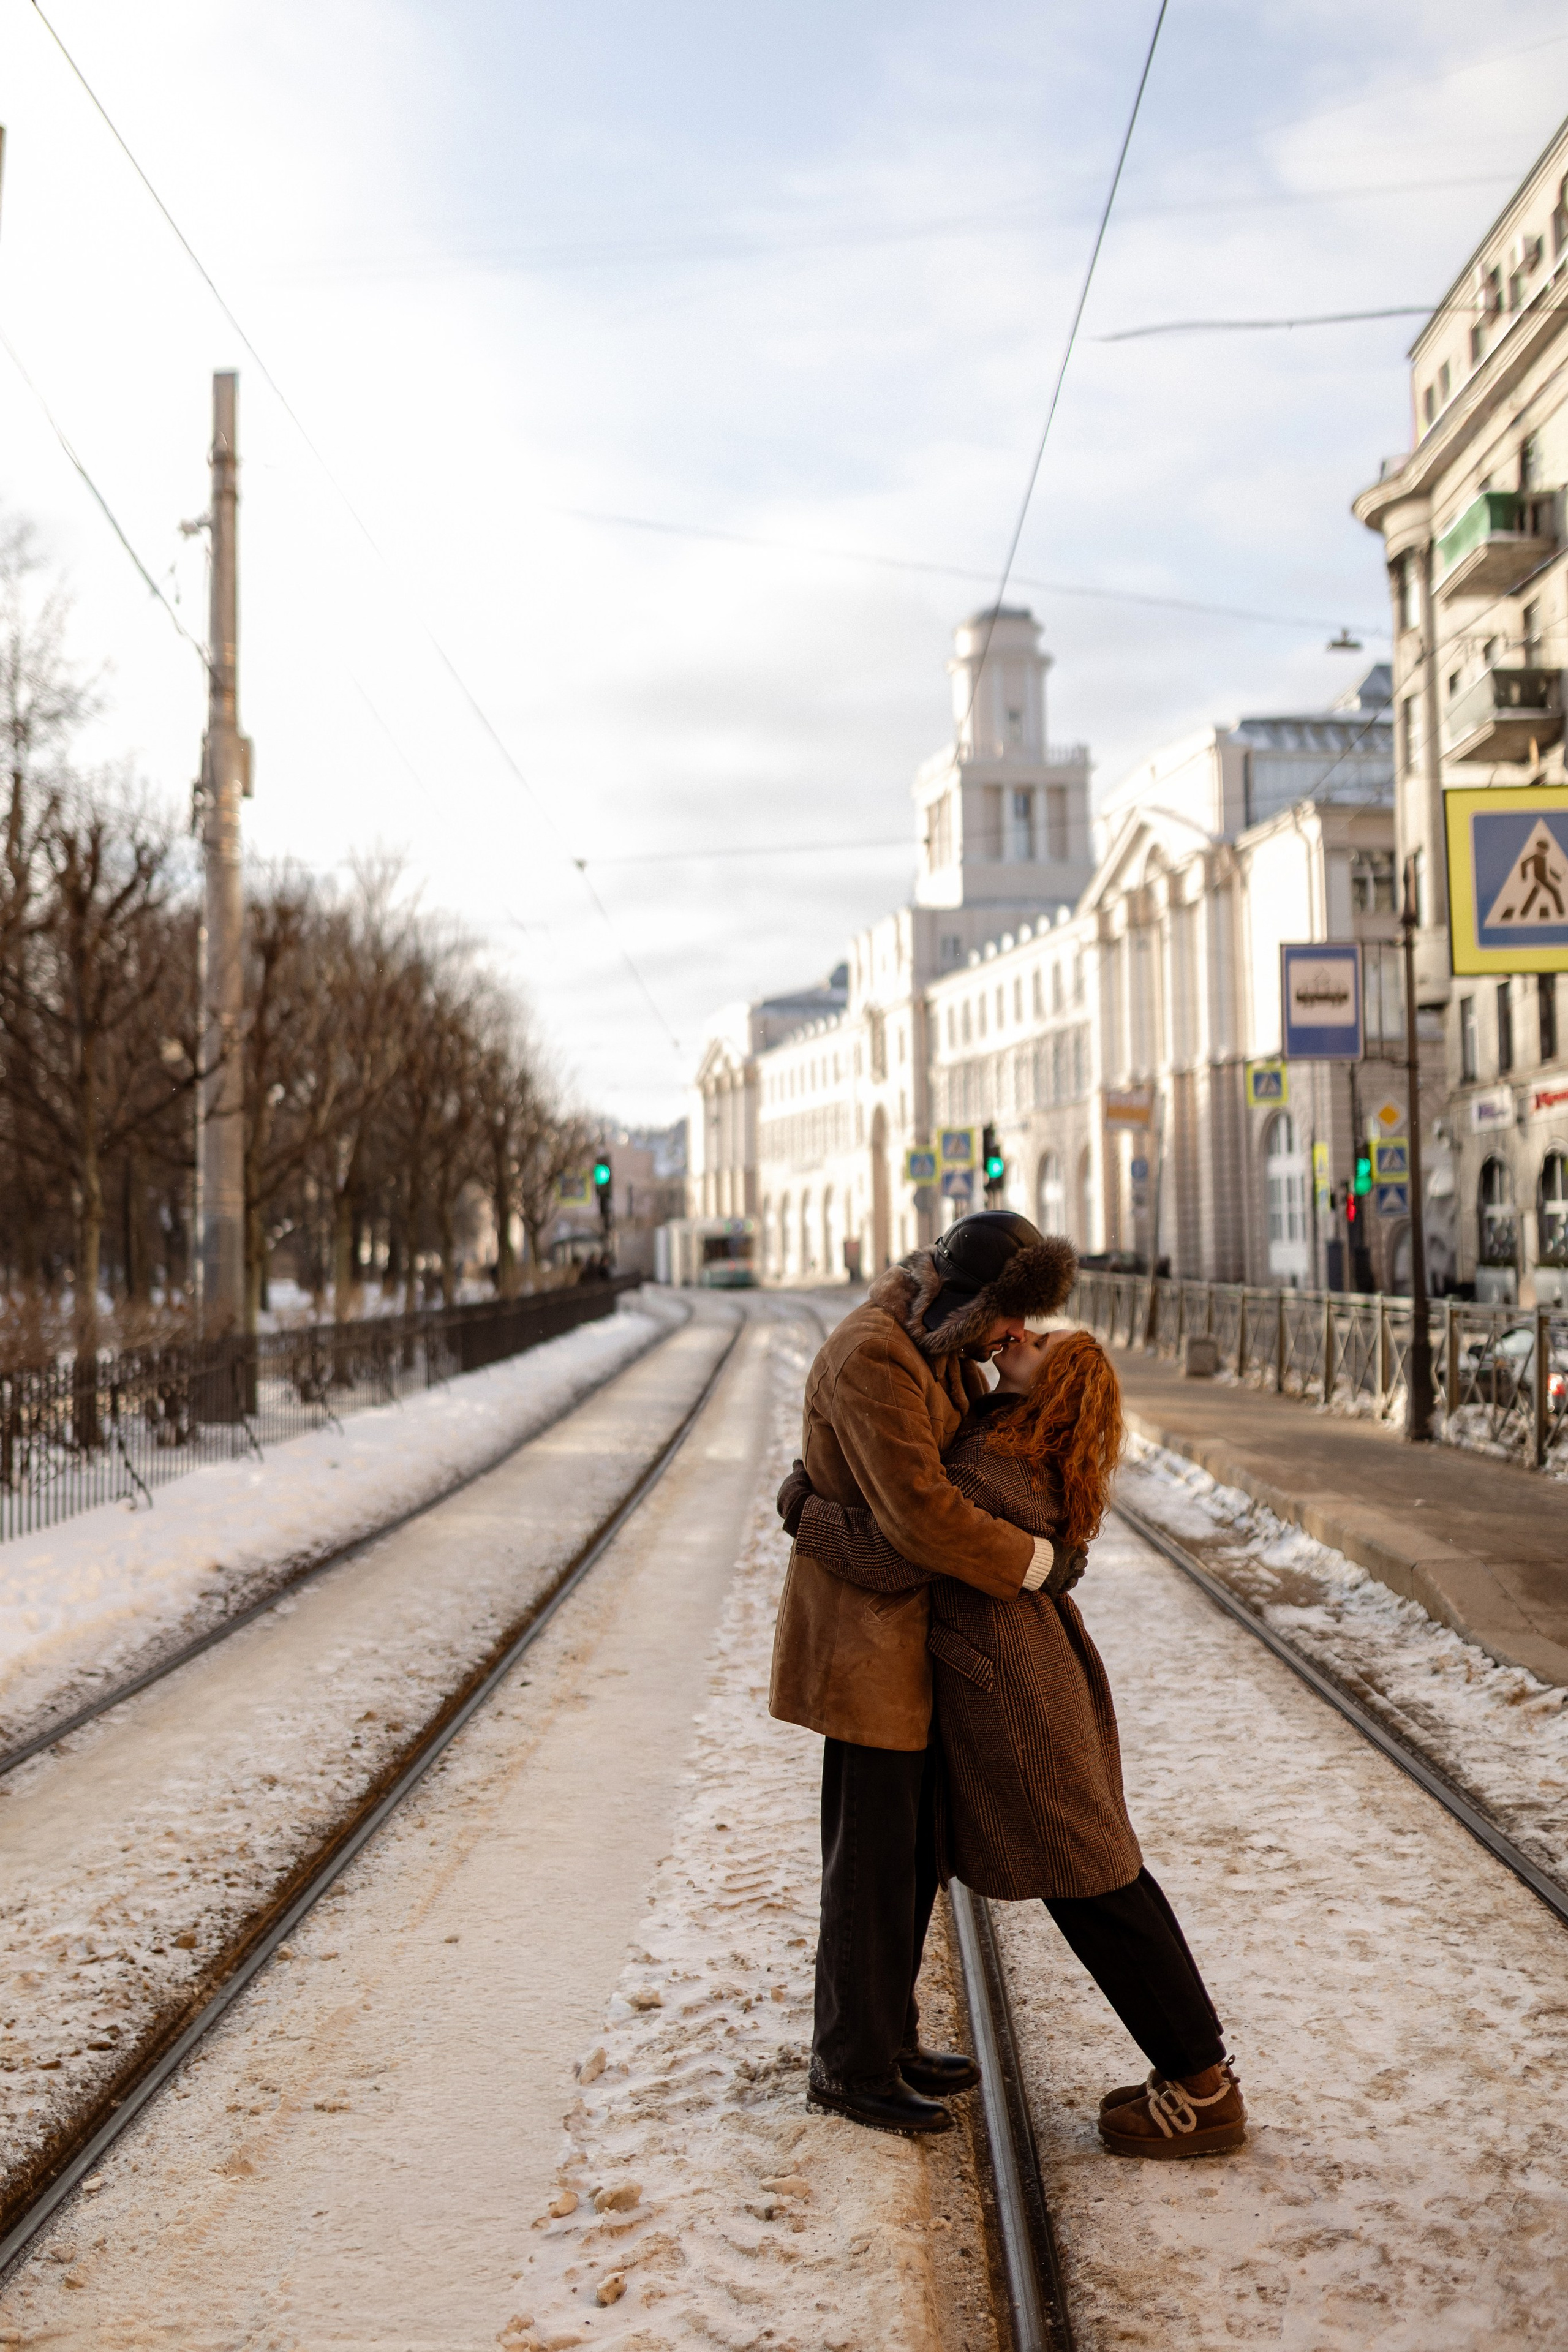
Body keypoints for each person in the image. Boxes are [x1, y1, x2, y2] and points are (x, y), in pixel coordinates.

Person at [778, 1324, 1246, 2163]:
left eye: (1040, 1343)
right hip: (1029, 1679)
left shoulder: (994, 1466)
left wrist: (800, 1507)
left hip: (1016, 1699)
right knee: (1105, 1874)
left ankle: (1204, 2088)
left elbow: (895, 1552)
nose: (1020, 1335)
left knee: (1098, 1886)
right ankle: (1198, 2072)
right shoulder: (1015, 1444)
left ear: (1052, 1386)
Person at [769, 1211, 1079, 2136]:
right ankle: (848, 2063)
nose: (1011, 1339)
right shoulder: (875, 1355)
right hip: (864, 1647)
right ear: (969, 1304)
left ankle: (889, 2037)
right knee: (869, 1864)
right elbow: (924, 1517)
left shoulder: (941, 1352)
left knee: (906, 1862)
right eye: (1008, 1319)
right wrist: (1034, 1563)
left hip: (911, 1643)